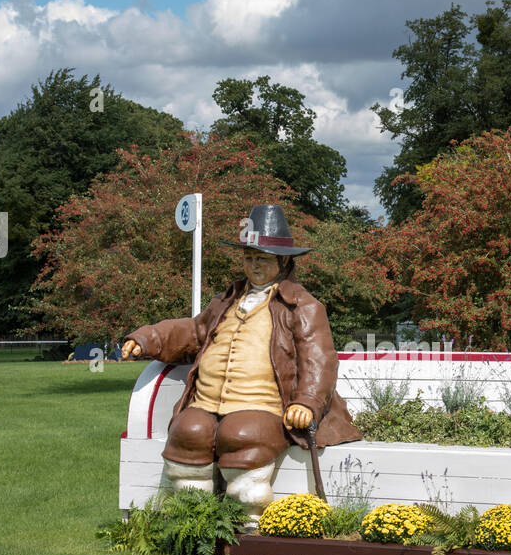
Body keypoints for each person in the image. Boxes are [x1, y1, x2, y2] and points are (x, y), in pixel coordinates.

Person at [121, 204, 361, 528]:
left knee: (243, 433)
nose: (254, 265)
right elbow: (193, 331)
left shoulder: (302, 306)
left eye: (262, 258)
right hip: (207, 401)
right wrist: (148, 339)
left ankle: (246, 519)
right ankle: (192, 517)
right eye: (249, 258)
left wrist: (307, 403)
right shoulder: (226, 301)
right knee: (189, 430)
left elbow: (319, 359)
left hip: (262, 405)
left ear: (283, 261)